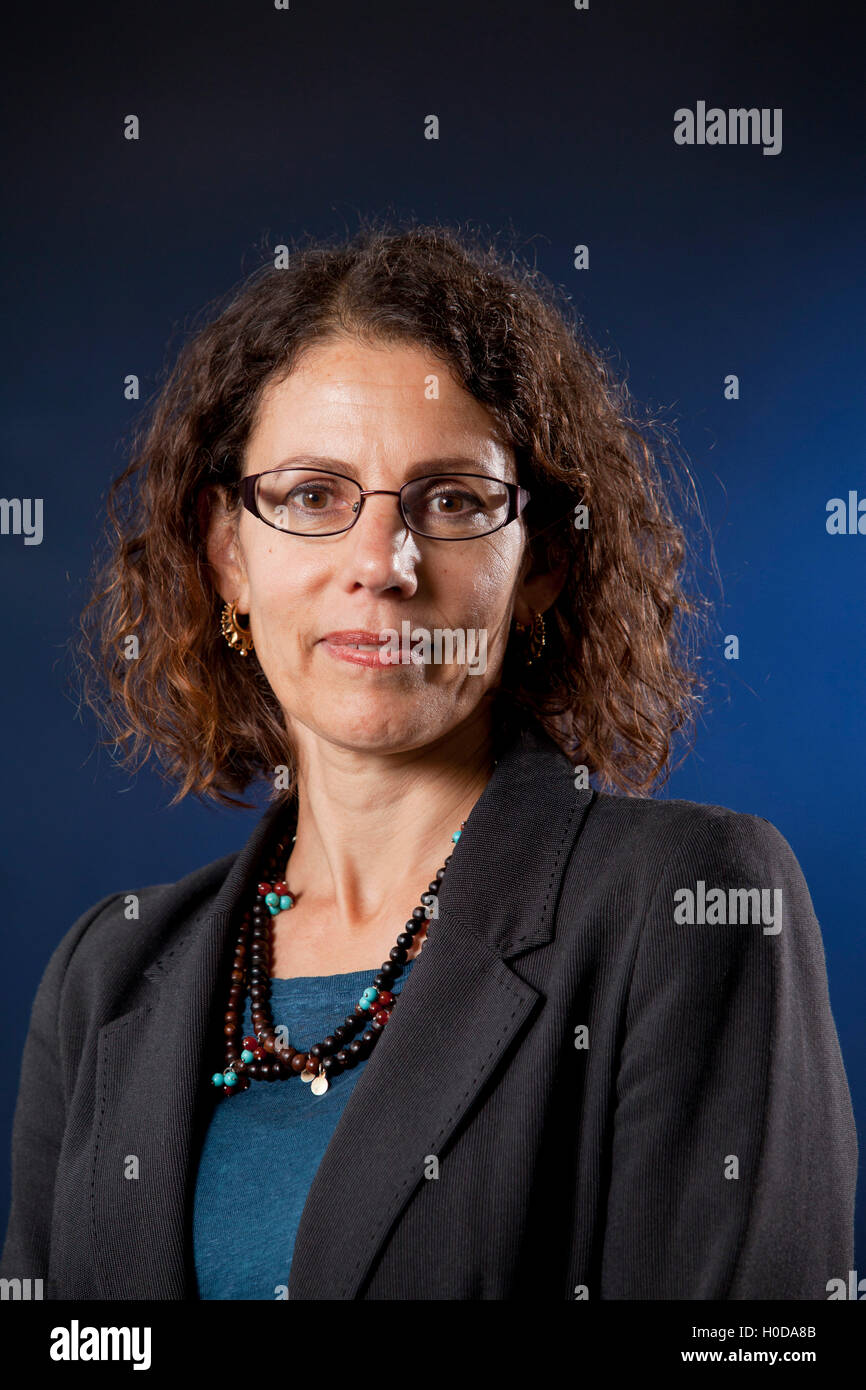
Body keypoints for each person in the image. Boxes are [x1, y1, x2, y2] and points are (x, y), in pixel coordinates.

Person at [0, 222, 856, 1300]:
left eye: (449, 501)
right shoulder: (105, 973)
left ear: (538, 562)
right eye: (312, 496)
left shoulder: (690, 901)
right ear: (229, 554)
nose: (381, 564)